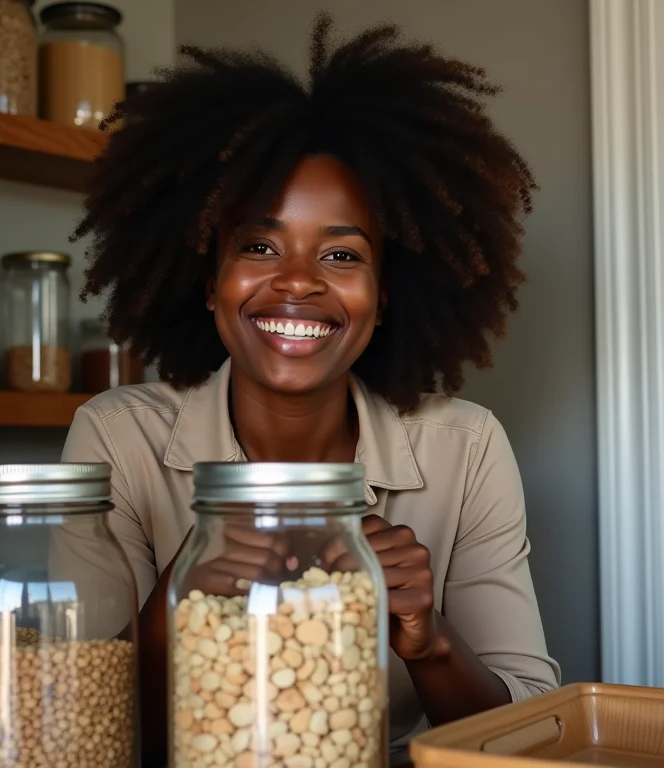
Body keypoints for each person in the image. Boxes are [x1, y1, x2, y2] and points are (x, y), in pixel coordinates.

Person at [62, 13, 560, 766]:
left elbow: (532, 735)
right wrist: (176, 601)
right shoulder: (117, 438)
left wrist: (430, 642)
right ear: (209, 281)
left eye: (342, 254)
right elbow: (78, 727)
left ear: (384, 296)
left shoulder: (466, 447)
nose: (297, 280)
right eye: (259, 245)